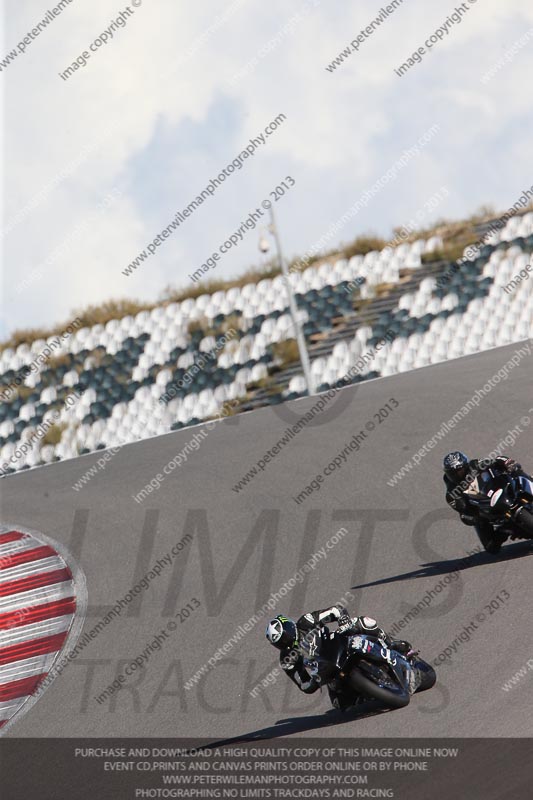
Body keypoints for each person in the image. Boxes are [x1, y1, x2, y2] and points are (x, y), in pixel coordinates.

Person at [265, 606, 414, 711]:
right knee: (340, 704)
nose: (285, 642)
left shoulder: (306, 621)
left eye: (285, 637)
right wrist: (314, 682)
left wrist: (343, 620)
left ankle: (391, 644)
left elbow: (336, 610)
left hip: (337, 643)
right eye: (280, 643)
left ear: (290, 627)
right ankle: (366, 692)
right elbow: (303, 684)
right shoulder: (287, 659)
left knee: (364, 622)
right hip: (326, 669)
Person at [442, 451, 523, 553]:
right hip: (481, 508)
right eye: (453, 473)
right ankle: (506, 529)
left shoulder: (475, 464)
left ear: (466, 466)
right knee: (491, 547)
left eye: (460, 470)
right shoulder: (452, 494)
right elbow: (464, 512)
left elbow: (495, 461)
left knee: (516, 473)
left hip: (494, 488)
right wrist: (473, 516)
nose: (457, 475)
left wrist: (506, 463)